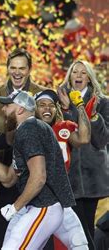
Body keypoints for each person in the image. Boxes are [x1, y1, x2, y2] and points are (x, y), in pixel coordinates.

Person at [0, 90, 76, 249]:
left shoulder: (29, 129)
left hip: (44, 206)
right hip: (38, 207)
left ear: (20, 109)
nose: (3, 110)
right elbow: (9, 179)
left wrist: (15, 207)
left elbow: (38, 178)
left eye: (7, 106)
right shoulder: (26, 129)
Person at [0, 48, 46, 249]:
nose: (17, 72)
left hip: (32, 171)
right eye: (13, 68)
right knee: (3, 232)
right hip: (1, 171)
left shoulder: (40, 93)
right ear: (7, 68)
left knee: (34, 235)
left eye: (22, 68)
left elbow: (52, 126)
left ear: (29, 69)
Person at [58, 60, 109, 248]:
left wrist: (94, 117)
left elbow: (102, 140)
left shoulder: (102, 103)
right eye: (74, 72)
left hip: (94, 178)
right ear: (69, 76)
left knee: (87, 228)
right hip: (69, 177)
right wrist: (67, 109)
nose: (78, 75)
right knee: (77, 230)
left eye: (83, 72)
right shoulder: (60, 101)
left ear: (89, 78)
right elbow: (64, 134)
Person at [34, 89, 90, 249]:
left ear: (56, 108)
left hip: (60, 199)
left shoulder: (63, 128)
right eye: (42, 105)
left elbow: (84, 138)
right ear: (35, 108)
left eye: (51, 105)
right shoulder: (29, 128)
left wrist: (79, 105)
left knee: (79, 243)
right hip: (35, 200)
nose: (46, 109)